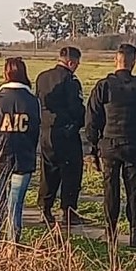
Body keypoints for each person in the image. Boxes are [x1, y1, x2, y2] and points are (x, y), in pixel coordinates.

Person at [85, 43, 136, 248]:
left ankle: (111, 233)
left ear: (115, 60)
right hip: (135, 146)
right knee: (134, 191)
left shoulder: (104, 86)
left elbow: (92, 119)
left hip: (109, 145)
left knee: (111, 190)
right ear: (134, 61)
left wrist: (94, 145)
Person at [0, 57, 41, 246]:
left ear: (5, 74)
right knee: (16, 205)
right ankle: (13, 245)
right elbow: (36, 129)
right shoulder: (34, 101)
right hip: (23, 158)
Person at [34, 46, 87, 227]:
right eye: (77, 64)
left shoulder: (42, 77)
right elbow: (76, 108)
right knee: (71, 171)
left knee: (48, 171)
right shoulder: (71, 81)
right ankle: (68, 211)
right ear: (71, 62)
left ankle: (45, 209)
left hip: (46, 131)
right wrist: (80, 122)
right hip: (66, 132)